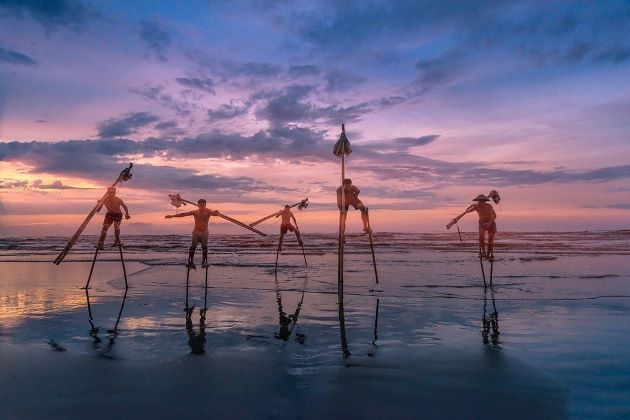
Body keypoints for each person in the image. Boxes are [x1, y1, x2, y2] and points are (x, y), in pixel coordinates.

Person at [164, 199, 219, 269]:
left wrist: (217, 212)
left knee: (204, 248)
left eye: (203, 205)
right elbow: (183, 214)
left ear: (205, 205)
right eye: (200, 205)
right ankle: (191, 262)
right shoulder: (195, 212)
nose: (202, 206)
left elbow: (215, 214)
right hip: (196, 232)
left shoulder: (208, 212)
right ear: (198, 205)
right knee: (193, 247)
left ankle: (204, 262)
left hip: (205, 233)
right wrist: (172, 216)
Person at [463, 194, 497, 259]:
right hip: (482, 223)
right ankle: (483, 252)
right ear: (477, 201)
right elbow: (467, 211)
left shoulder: (489, 206)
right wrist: (472, 206)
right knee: (481, 237)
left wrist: (490, 222)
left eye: (482, 201)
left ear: (484, 201)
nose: (481, 202)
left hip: (491, 222)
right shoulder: (476, 206)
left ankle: (488, 254)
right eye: (479, 201)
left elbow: (494, 215)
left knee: (490, 240)